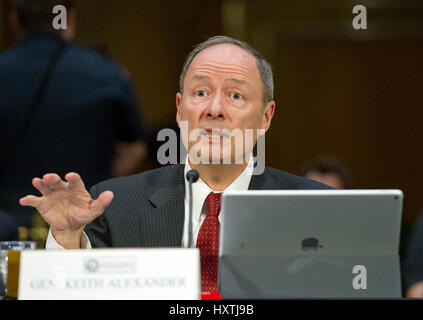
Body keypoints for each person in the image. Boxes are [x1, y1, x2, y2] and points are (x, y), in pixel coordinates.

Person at [19, 35, 331, 293]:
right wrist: (68, 237)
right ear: (181, 110)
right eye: (201, 92)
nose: (215, 109)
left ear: (265, 117)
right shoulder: (115, 206)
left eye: (236, 95)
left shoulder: (316, 208)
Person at [0, 0, 149, 229]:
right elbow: (136, 147)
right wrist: (96, 185)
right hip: (85, 221)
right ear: (69, 20)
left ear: (15, 21)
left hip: (8, 223)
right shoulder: (107, 73)